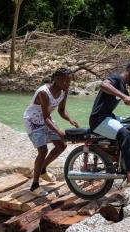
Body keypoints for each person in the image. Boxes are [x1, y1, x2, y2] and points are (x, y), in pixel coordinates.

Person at [89, 60, 130, 186]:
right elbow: (103, 85)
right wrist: (123, 96)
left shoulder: (122, 85)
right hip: (99, 119)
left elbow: (129, 101)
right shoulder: (116, 78)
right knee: (126, 134)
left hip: (108, 117)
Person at [24, 68, 79, 196]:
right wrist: (59, 132)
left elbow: (61, 111)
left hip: (46, 118)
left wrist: (70, 119)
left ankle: (42, 169)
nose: (68, 84)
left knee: (61, 146)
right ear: (56, 79)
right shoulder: (44, 92)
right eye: (66, 81)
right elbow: (46, 118)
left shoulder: (64, 91)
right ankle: (35, 185)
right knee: (43, 150)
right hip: (33, 121)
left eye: (69, 81)